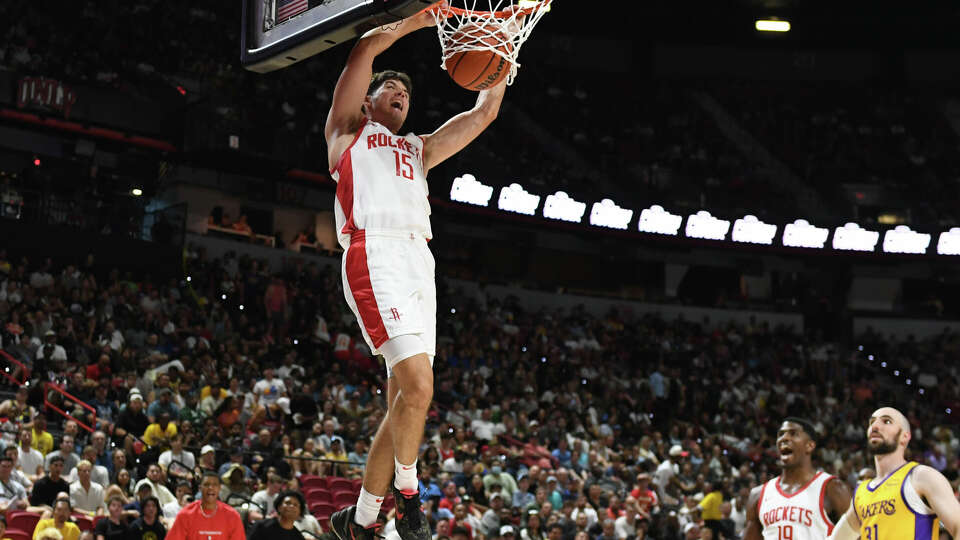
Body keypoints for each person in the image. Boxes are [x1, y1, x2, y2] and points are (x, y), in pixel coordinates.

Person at [324, 5, 509, 540]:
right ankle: (408, 495)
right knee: (419, 387)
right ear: (367, 101)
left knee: (406, 401)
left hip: (418, 264)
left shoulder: (418, 149)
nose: (401, 95)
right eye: (389, 90)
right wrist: (420, 20)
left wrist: (504, 63)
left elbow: (481, 116)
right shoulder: (346, 133)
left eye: (406, 93)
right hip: (373, 252)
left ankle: (358, 521)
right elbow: (364, 49)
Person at [827, 406, 960, 540]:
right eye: (872, 422)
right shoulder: (861, 492)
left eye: (887, 421)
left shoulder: (921, 476)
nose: (875, 426)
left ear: (905, 436)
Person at [744, 418, 850, 540]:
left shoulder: (833, 488)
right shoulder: (758, 495)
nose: (784, 438)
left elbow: (856, 535)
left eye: (793, 434)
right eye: (781, 434)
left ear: (810, 446)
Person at [165, 471, 245, 540]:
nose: (210, 488)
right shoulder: (185, 514)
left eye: (214, 485)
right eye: (206, 484)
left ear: (219, 488)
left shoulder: (232, 515)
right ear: (200, 488)